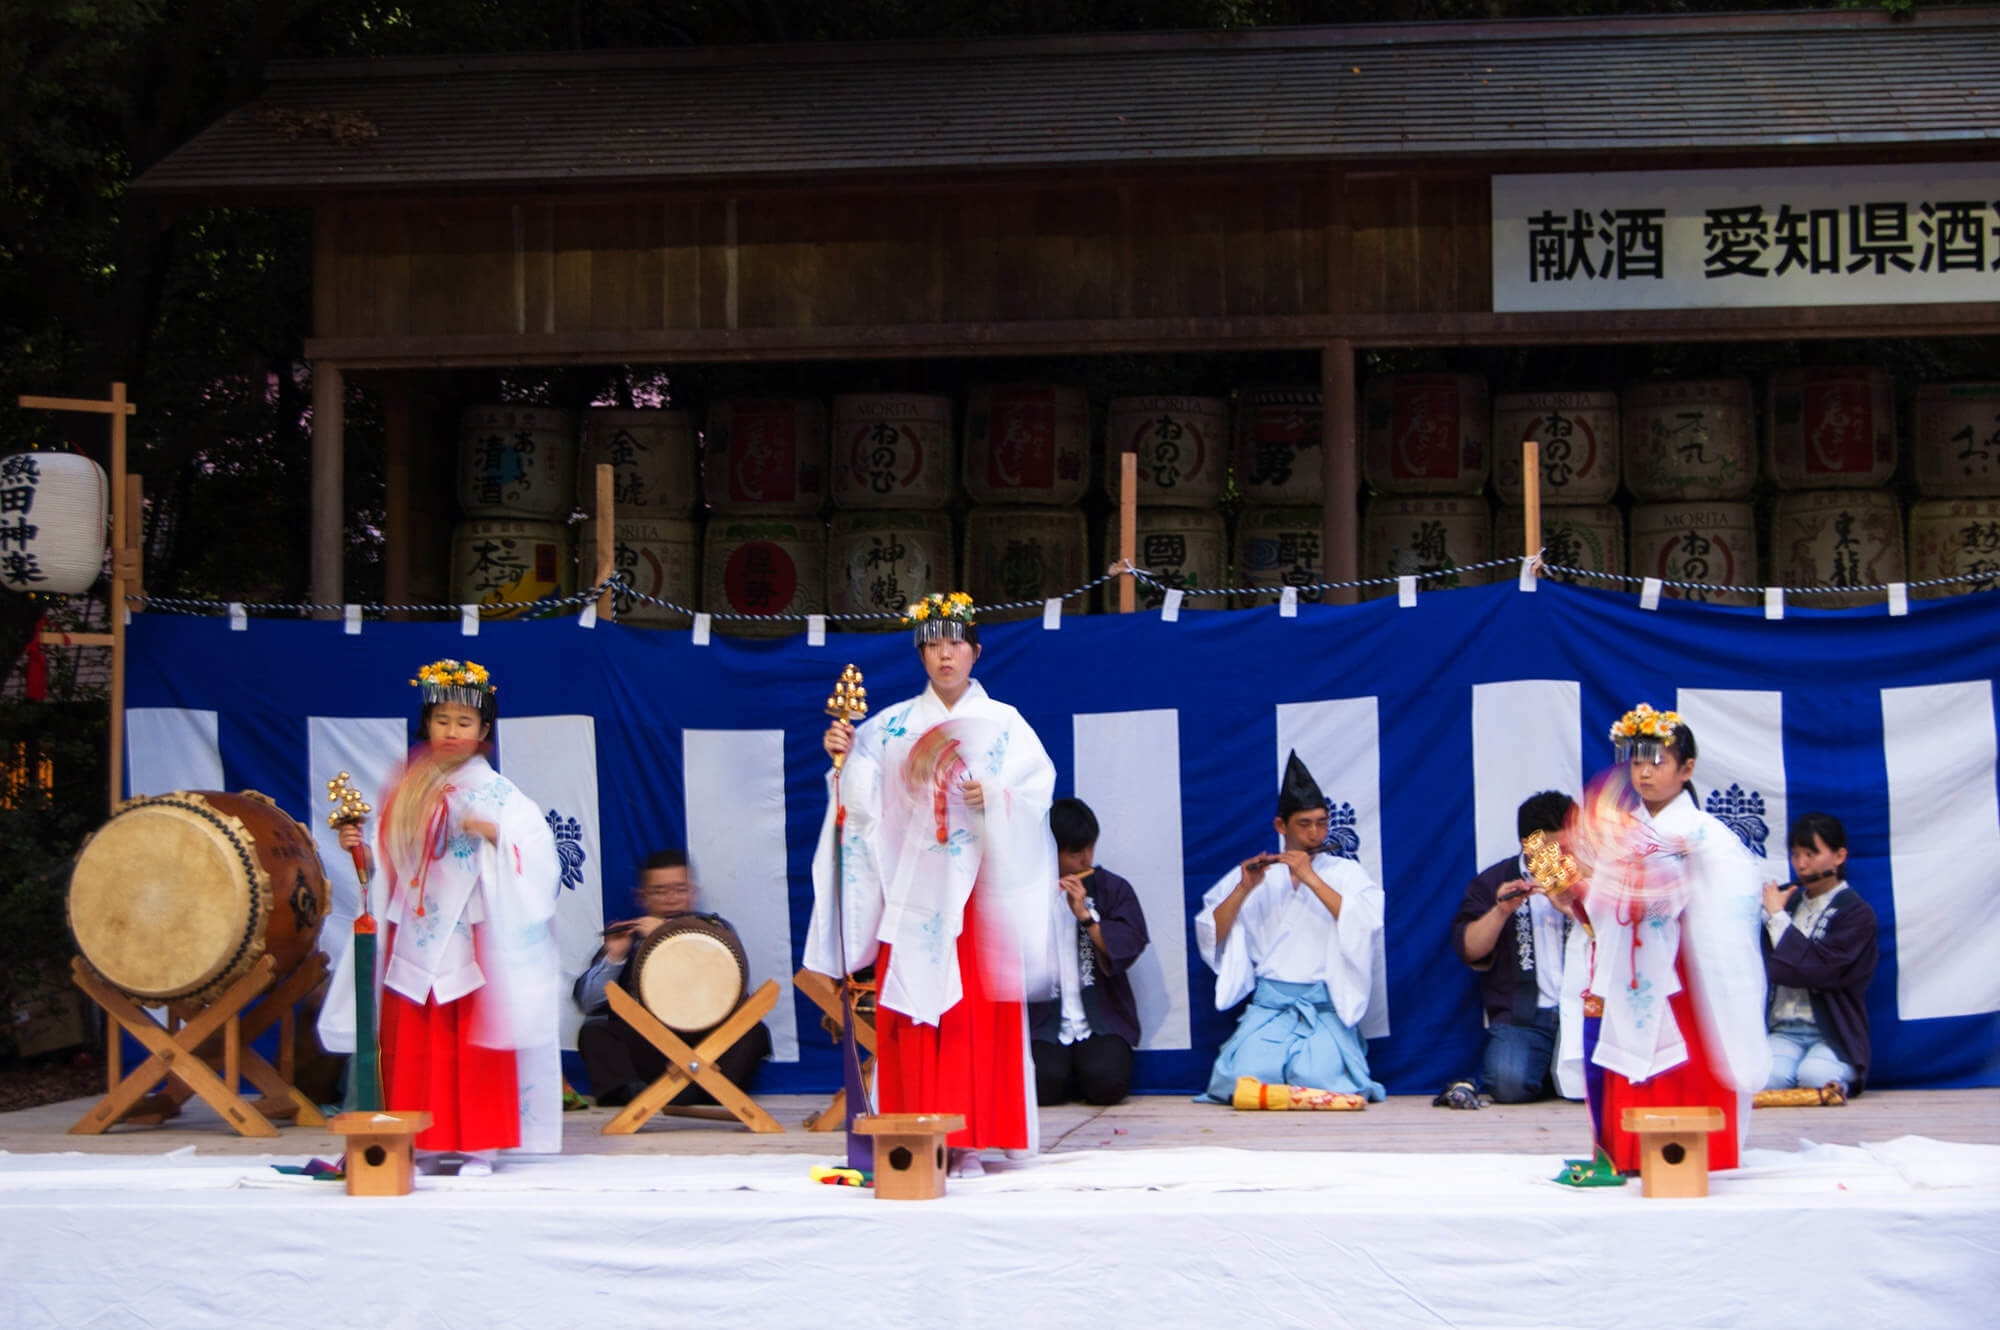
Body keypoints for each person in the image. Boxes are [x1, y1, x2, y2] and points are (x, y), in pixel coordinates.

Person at [805, 591, 1057, 1176]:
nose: (946, 656)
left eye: (956, 644)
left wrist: (991, 796)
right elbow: (861, 810)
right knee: (918, 1017)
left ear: (975, 652)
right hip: (914, 891)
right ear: (922, 654)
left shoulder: (1005, 725)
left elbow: (1037, 795)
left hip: (974, 895)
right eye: (934, 645)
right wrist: (843, 762)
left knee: (971, 1018)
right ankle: (920, 1137)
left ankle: (972, 1139)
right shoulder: (889, 727)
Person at [319, 658, 564, 1174]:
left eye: (465, 723)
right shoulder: (408, 786)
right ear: (426, 723)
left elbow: (537, 854)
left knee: (470, 1043)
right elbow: (386, 871)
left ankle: (480, 1144)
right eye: (442, 720)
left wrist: (495, 834)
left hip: (471, 935)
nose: (452, 732)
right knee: (412, 1042)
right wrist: (358, 849)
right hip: (412, 930)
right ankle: (422, 1141)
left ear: (484, 731)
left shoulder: (500, 795)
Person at [1557, 703, 1770, 1176]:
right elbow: (1601, 907)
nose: (1645, 773)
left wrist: (1653, 885)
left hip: (1686, 974)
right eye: (1637, 761)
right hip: (1632, 967)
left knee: (1680, 1066)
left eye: (1658, 761)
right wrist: (1582, 887)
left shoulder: (1707, 835)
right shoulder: (1623, 829)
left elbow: (1730, 902)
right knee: (1629, 1054)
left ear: (1687, 768)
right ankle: (1625, 1152)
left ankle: (1695, 1156)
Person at [1195, 751, 1386, 1104]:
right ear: (1281, 826)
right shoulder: (1257, 875)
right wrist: (1243, 889)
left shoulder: (1346, 874)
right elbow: (1212, 933)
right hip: (1271, 1008)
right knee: (1236, 1083)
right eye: (1305, 824)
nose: (1316, 833)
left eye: (1322, 822)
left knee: (1322, 1081)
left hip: (1324, 1008)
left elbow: (1366, 924)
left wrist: (1311, 879)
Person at [571, 849, 774, 1108]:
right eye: (660, 891)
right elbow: (588, 1004)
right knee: (595, 1031)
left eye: (679, 889)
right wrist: (614, 957)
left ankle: (703, 1090)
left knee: (753, 1032)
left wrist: (667, 933)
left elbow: (735, 987)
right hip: (650, 1044)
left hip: (706, 1043)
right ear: (642, 896)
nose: (671, 898)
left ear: (693, 891)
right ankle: (632, 1094)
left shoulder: (717, 930)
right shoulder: (630, 936)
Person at [1448, 791, 1578, 1105]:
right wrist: (1501, 911)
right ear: (1527, 845)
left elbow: (1624, 933)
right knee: (1508, 1084)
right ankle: (1546, 1073)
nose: (1562, 857)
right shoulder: (1494, 881)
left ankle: (1556, 1075)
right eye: (1553, 849)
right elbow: (1469, 950)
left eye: (1569, 846)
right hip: (1525, 1019)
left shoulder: (1591, 874)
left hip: (1586, 1012)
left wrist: (1576, 907)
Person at [1028, 797, 1151, 1106]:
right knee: (1041, 1088)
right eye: (1074, 852)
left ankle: (1084, 1068)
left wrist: (1085, 915)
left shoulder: (1112, 888)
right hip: (1044, 1021)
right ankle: (1064, 1069)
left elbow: (1129, 941)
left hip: (1100, 1019)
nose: (1085, 860)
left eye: (1089, 849)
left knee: (1108, 1085)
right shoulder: (1025, 892)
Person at [1761, 812, 1878, 1096]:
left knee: (1814, 1076)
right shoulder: (1788, 904)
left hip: (1832, 1032)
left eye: (1811, 854)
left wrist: (1776, 918)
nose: (1801, 864)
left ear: (1839, 856)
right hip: (1784, 1028)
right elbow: (1772, 968)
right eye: (1796, 854)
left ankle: (1842, 1075)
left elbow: (1817, 970)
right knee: (1766, 1079)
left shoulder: (1856, 914)